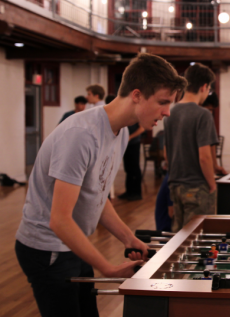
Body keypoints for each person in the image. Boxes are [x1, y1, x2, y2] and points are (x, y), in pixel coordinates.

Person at [15, 53, 187, 317]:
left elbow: (96, 197)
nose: (167, 112)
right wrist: (107, 267)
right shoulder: (81, 135)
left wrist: (129, 239)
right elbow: (59, 221)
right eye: (163, 102)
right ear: (137, 95)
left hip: (72, 242)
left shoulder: (121, 133)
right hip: (46, 248)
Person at [165, 62, 219, 231]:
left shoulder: (170, 113)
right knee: (198, 237)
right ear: (204, 87)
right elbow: (204, 156)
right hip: (196, 187)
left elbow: (167, 154)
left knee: (178, 237)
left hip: (175, 185)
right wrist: (212, 184)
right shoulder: (203, 114)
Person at [201, 92, 227, 175]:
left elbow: (212, 144)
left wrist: (215, 165)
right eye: (209, 109)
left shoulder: (207, 117)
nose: (210, 112)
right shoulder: (203, 116)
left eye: (212, 110)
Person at [117, 122, 144, 201]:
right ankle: (129, 192)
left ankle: (137, 193)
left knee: (134, 167)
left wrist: (130, 137)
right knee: (128, 168)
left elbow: (142, 129)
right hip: (127, 144)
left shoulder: (136, 116)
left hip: (134, 143)